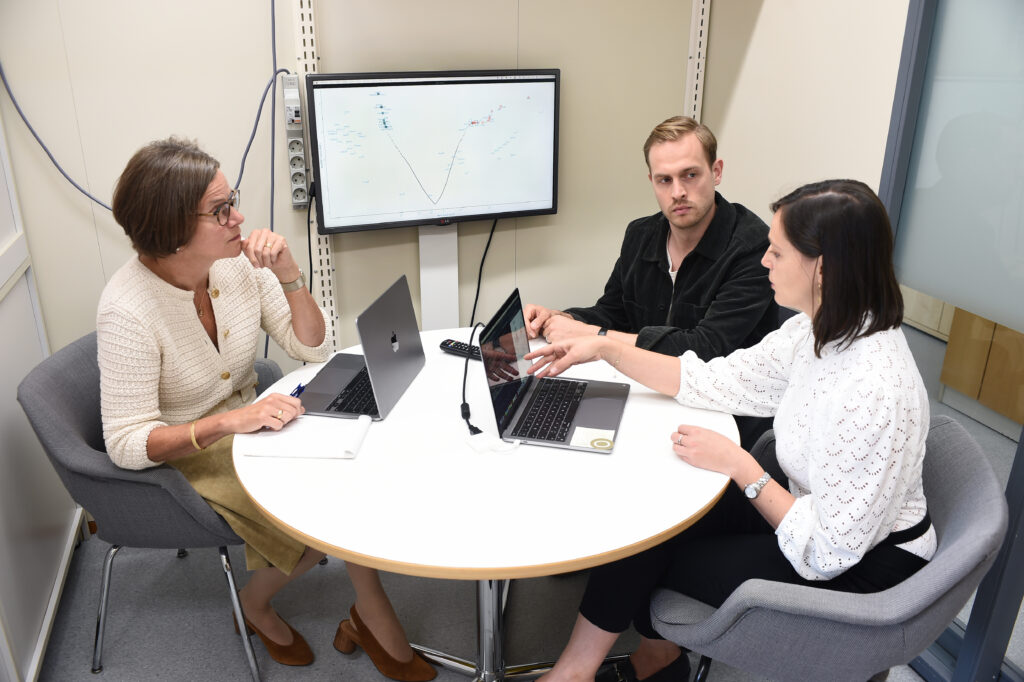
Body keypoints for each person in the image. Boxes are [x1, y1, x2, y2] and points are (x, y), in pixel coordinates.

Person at [524, 179, 935, 682]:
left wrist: (741, 467)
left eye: (777, 253)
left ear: (822, 268)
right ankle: (588, 669)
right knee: (652, 513)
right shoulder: (816, 328)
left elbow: (828, 553)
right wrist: (606, 348)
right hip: (809, 508)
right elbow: (715, 379)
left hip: (859, 567)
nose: (764, 261)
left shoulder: (873, 388)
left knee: (662, 557)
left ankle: (644, 659)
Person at [97, 137, 435, 681]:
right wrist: (229, 422)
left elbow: (310, 346)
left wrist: (289, 275)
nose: (240, 218)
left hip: (256, 420)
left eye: (233, 199)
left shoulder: (233, 266)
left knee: (348, 471)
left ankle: (367, 614)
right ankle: (267, 608)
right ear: (170, 229)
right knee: (313, 515)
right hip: (191, 447)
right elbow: (126, 443)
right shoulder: (127, 311)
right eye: (220, 209)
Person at [524, 116, 779, 447]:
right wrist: (565, 319)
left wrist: (596, 337)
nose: (678, 192)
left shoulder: (752, 248)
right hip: (649, 398)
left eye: (690, 175)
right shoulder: (641, 234)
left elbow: (704, 349)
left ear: (716, 172)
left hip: (721, 420)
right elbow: (612, 311)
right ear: (651, 181)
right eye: (664, 180)